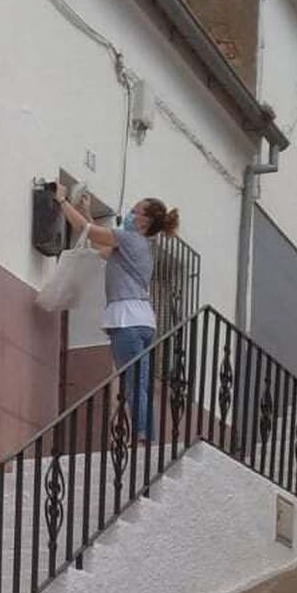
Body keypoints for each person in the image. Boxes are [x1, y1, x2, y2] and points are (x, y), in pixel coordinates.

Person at [55, 188, 180, 442]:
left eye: (135, 210)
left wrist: (61, 200)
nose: (131, 214)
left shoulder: (130, 239)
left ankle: (143, 438)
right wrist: (88, 212)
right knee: (140, 383)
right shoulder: (139, 245)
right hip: (143, 321)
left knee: (134, 384)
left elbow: (86, 231)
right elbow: (97, 242)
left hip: (128, 320)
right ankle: (147, 437)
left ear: (145, 220)